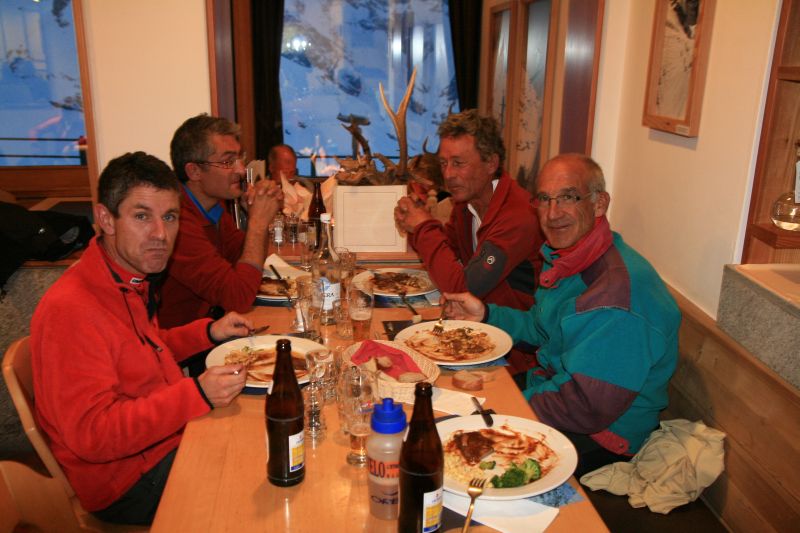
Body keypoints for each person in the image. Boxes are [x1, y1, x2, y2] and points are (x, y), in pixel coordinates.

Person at [30, 152, 251, 525]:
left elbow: (142, 349)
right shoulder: (71, 309)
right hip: (126, 481)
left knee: (263, 432)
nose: (160, 235)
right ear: (105, 219)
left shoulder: (121, 277)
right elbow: (93, 435)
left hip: (160, 442)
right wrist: (195, 394)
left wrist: (207, 332)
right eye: (141, 216)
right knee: (254, 481)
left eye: (169, 217)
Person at [443, 154, 681, 476]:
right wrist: (485, 314)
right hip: (560, 388)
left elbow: (584, 407)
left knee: (462, 457)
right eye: (544, 199)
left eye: (568, 197)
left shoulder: (613, 296)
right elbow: (542, 329)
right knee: (446, 404)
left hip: (605, 436)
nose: (553, 214)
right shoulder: (573, 259)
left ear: (599, 204)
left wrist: (503, 410)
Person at [394, 109, 543, 311]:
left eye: (458, 163)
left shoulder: (518, 216)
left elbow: (464, 289)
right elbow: (447, 254)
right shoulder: (466, 203)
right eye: (443, 163)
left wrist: (423, 227)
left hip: (511, 336)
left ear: (491, 163)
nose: (448, 174)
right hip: (475, 322)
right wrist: (414, 226)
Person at [158, 114, 283, 329]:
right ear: (194, 171)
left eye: (239, 158)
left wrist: (256, 215)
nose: (241, 169)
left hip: (214, 326)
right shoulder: (176, 222)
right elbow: (238, 297)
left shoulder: (213, 206)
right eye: (227, 161)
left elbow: (242, 261)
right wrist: (258, 223)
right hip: (184, 348)